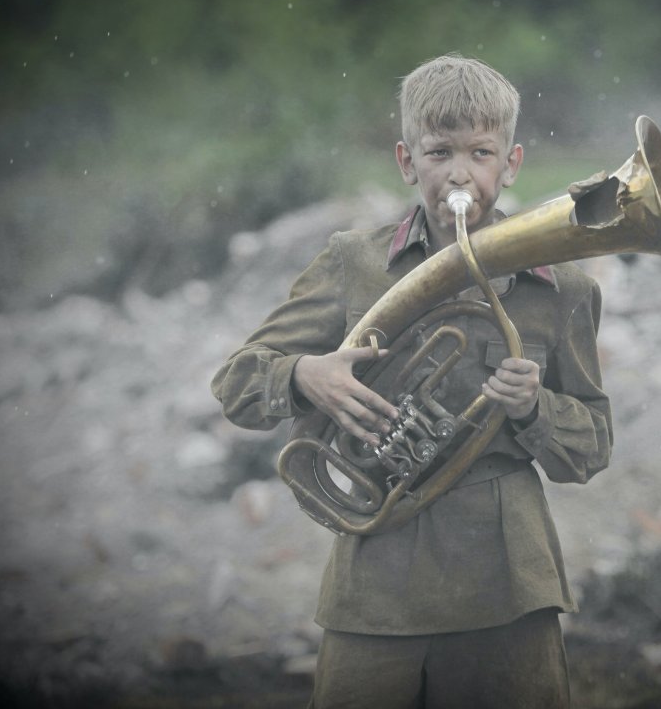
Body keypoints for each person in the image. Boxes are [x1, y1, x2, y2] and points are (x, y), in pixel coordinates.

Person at [211, 53, 613, 708]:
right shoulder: (354, 262)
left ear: (511, 164)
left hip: (507, 586)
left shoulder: (562, 287)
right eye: (439, 152)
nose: (459, 173)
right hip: (377, 580)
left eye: (481, 153)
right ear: (406, 161)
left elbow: (592, 448)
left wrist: (533, 407)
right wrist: (306, 375)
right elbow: (236, 384)